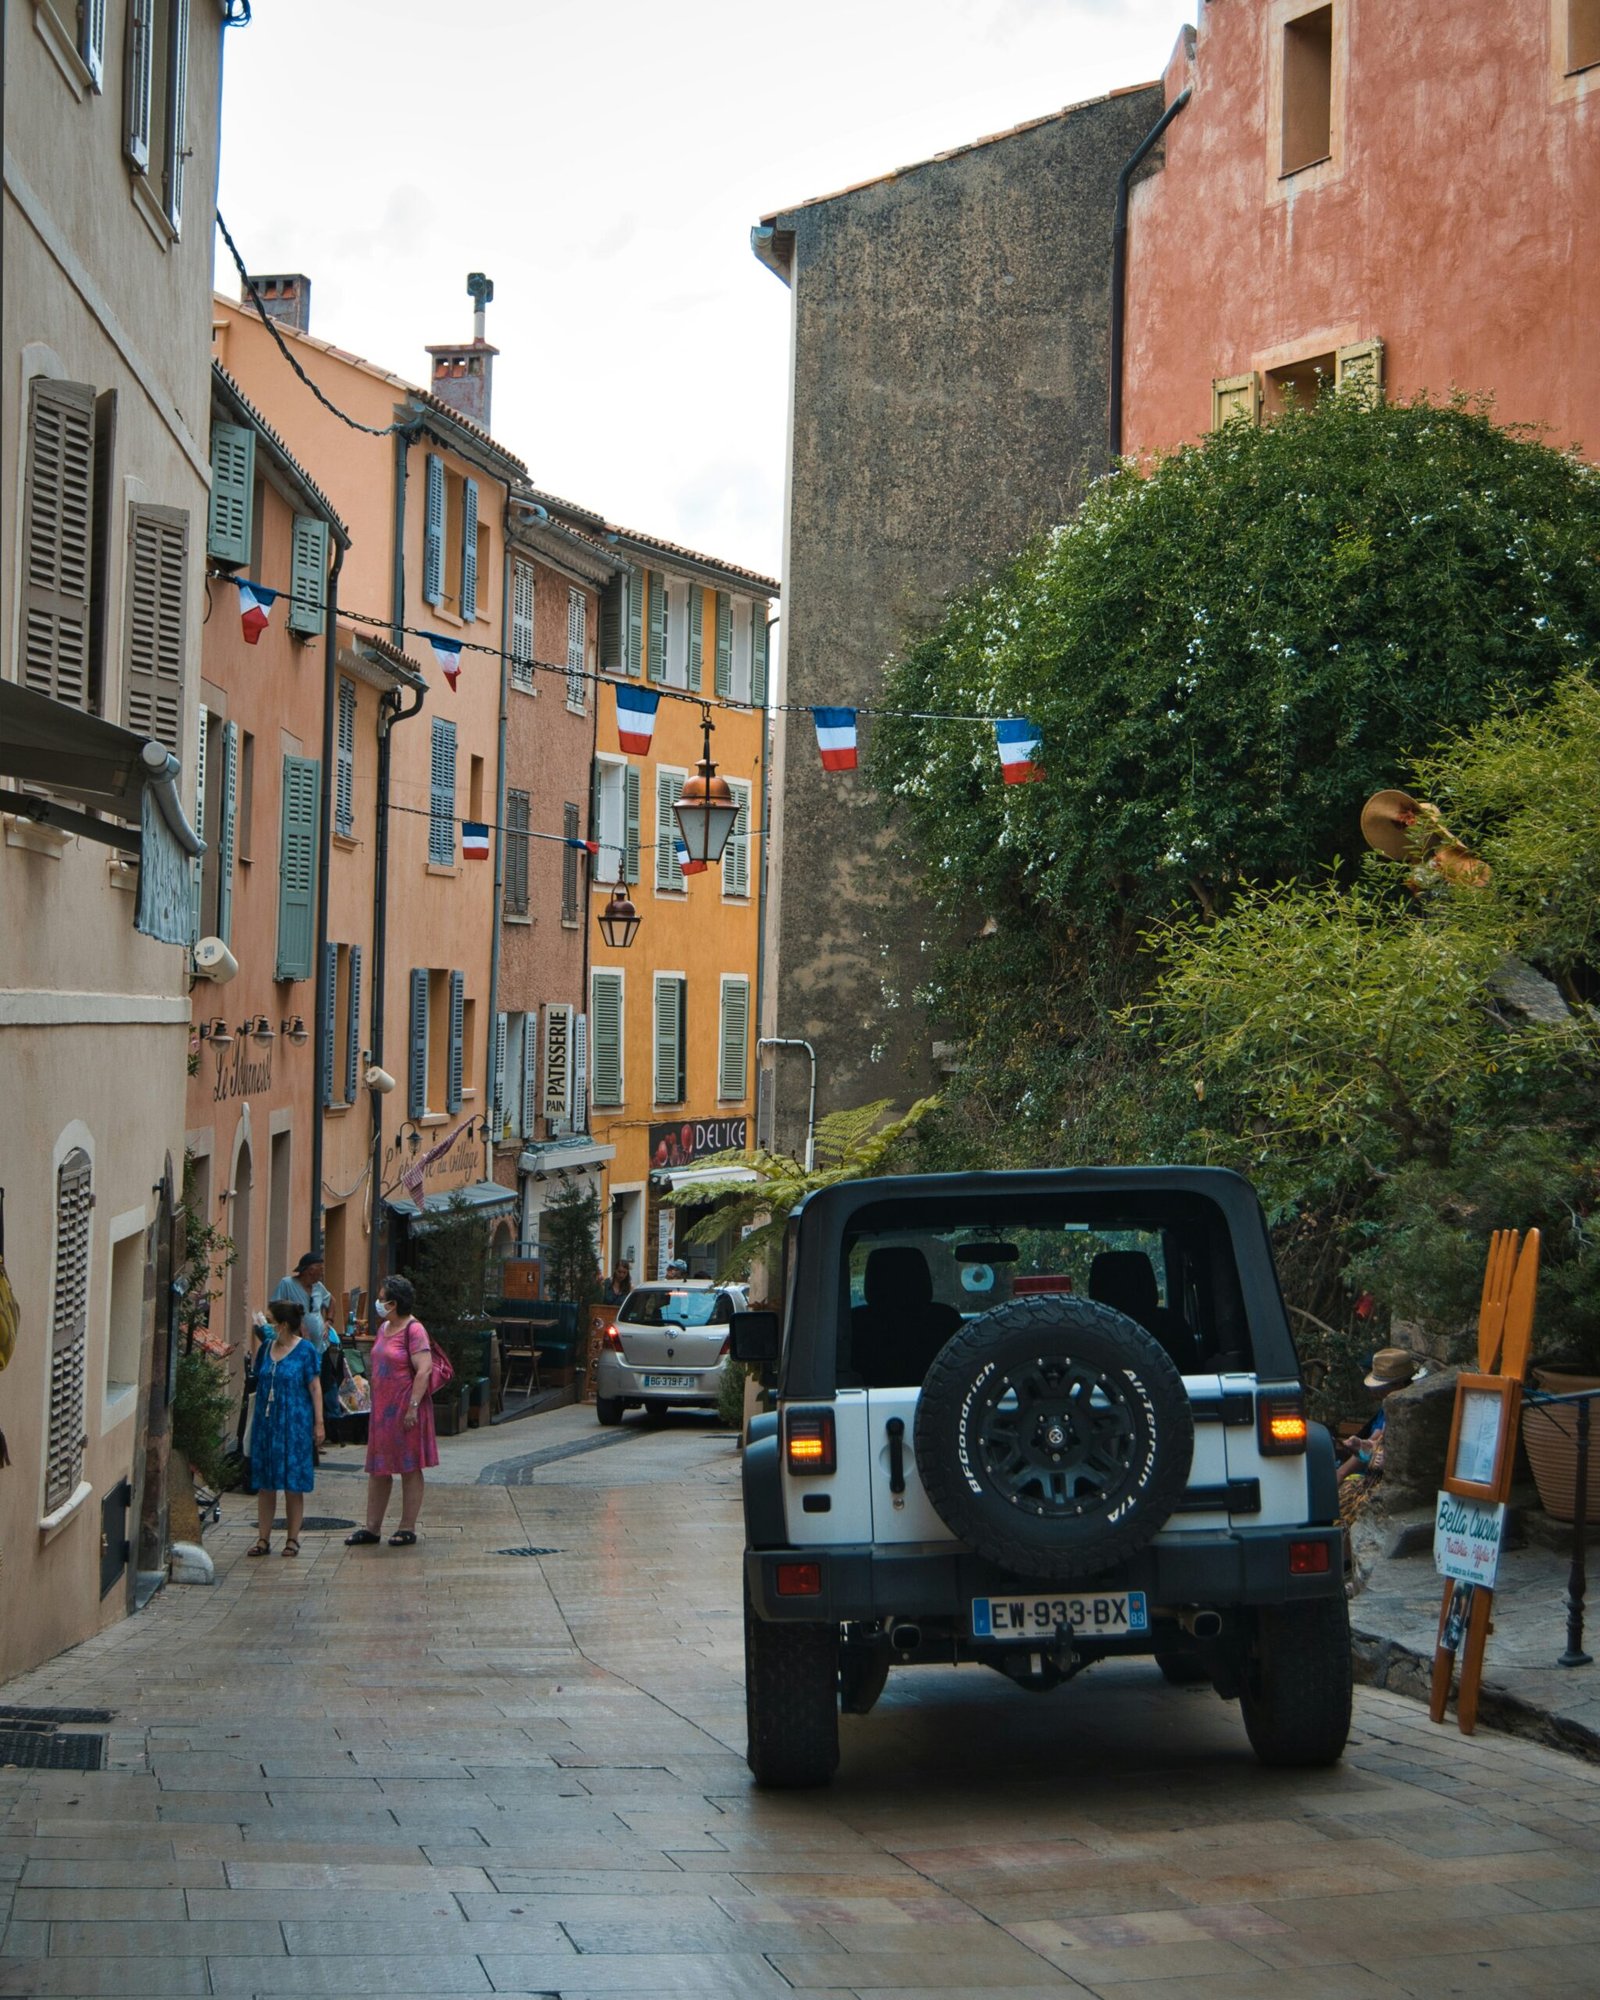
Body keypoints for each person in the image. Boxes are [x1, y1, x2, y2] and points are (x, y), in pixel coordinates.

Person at [345, 1275, 437, 1548]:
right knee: (379, 1467)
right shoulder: (385, 1327)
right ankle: (372, 1527)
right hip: (382, 1410)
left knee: (409, 1466)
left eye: (382, 1297)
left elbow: (424, 1369)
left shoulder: (414, 1330)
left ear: (394, 1303)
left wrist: (413, 1407)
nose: (378, 1302)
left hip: (406, 1409)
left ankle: (406, 1526)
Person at [247, 1300, 324, 1558]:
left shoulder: (305, 1351)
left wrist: (319, 1423)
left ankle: (292, 1539)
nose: (265, 1325)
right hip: (267, 1425)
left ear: (282, 1325)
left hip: (294, 1425)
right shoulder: (266, 1348)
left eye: (270, 1321)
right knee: (266, 1483)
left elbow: (315, 1387)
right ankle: (263, 1538)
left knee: (293, 1483)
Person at [1338, 1347, 1425, 1526]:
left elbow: (1388, 1453)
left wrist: (1343, 1472)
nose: (1374, 1392)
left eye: (1381, 1387)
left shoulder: (1411, 1413)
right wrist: (1359, 1446)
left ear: (1398, 1385)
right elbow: (1374, 1443)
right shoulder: (1388, 1408)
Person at [272, 1252, 332, 1358]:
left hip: (320, 1348)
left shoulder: (319, 1287)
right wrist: (297, 1323)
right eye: (321, 1269)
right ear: (311, 1270)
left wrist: (328, 1321)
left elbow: (332, 1301)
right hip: (295, 1349)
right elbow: (275, 1308)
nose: (323, 1273)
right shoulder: (287, 1284)